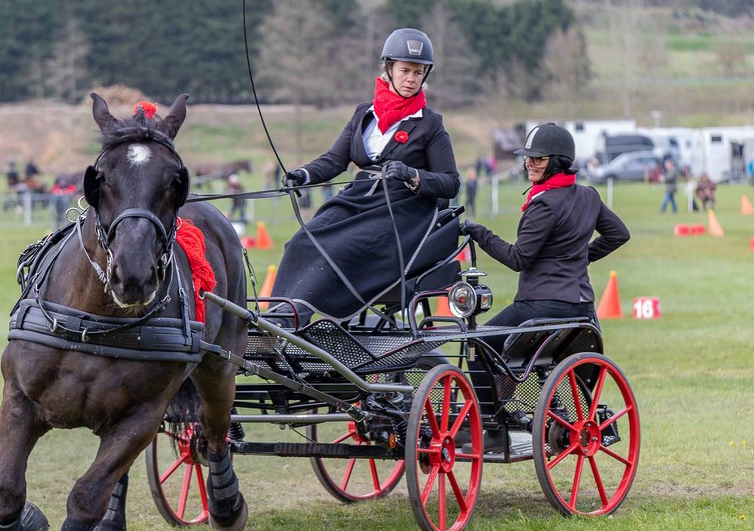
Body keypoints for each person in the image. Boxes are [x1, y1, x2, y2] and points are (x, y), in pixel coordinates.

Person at [270, 27, 460, 322]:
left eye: (419, 73)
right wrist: (303, 175)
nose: (411, 79)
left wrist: (412, 174)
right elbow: (335, 160)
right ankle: (281, 312)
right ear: (388, 69)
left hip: (400, 212)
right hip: (357, 202)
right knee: (302, 240)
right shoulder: (364, 114)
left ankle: (298, 316)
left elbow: (451, 182)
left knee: (342, 247)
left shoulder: (430, 124)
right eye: (405, 71)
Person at [460, 123, 630, 448]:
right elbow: (619, 234)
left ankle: (489, 427)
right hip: (580, 307)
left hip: (541, 305)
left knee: (476, 344)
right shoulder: (588, 195)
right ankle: (540, 411)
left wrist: (479, 233)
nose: (530, 164)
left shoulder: (544, 203)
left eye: (538, 159)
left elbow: (518, 258)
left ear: (558, 162)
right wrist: (581, 259)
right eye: (528, 158)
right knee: (519, 355)